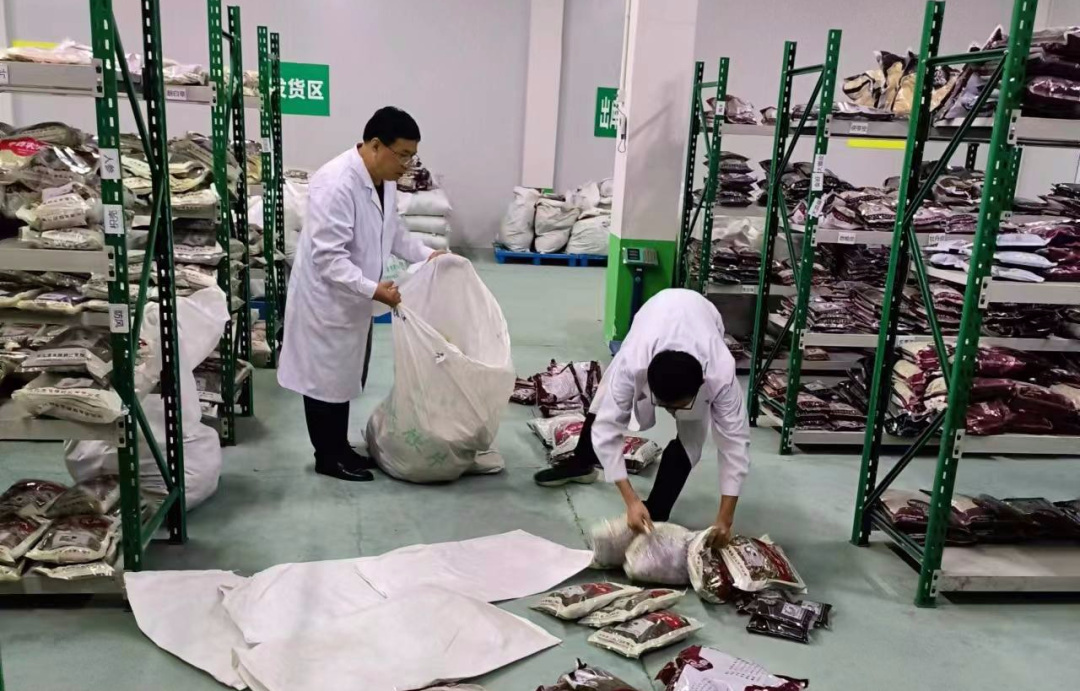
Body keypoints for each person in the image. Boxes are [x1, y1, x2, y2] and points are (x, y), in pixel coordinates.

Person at [278, 106, 446, 482]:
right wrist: (373, 289)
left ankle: (339, 446)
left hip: (353, 297)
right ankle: (327, 456)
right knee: (324, 380)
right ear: (375, 145)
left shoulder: (383, 179)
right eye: (402, 154)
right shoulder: (336, 183)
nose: (406, 164)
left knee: (344, 376)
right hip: (326, 299)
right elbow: (328, 258)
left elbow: (393, 231)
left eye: (412, 156)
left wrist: (427, 254)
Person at [534, 288, 750, 547]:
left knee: (692, 437)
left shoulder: (720, 374)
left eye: (679, 407)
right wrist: (631, 500)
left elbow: (734, 446)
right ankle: (582, 461)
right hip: (653, 315)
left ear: (702, 384)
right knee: (605, 399)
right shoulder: (633, 362)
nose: (672, 413)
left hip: (702, 315)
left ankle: (658, 508)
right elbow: (607, 429)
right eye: (666, 407)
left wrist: (725, 519)